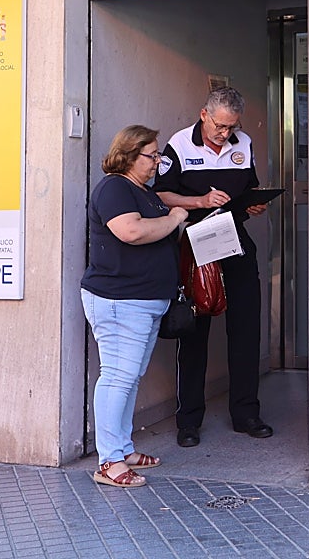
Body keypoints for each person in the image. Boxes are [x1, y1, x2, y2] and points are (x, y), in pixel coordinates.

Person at [156, 86, 273, 447]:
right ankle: (189, 421)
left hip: (235, 241)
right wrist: (200, 200)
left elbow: (249, 186)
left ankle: (246, 413)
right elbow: (161, 194)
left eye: (231, 127)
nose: (226, 134)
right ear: (204, 114)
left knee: (246, 330)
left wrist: (255, 205)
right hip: (197, 243)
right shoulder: (179, 143)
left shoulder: (244, 143)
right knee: (194, 333)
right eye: (220, 126)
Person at [81, 124, 187, 488]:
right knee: (117, 376)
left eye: (158, 154)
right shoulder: (114, 187)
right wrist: (173, 218)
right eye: (152, 155)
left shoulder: (144, 191)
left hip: (143, 300)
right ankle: (108, 462)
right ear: (128, 155)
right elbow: (131, 232)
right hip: (118, 300)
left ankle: (123, 448)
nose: (158, 161)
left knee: (129, 377)